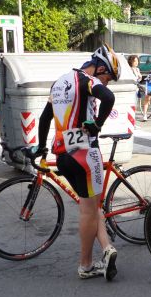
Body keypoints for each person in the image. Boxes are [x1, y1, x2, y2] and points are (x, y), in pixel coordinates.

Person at [35, 44, 120, 280]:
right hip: (86, 153)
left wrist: (41, 147)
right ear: (101, 67)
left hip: (63, 154)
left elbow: (44, 118)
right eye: (108, 77)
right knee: (88, 210)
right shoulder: (87, 80)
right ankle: (85, 264)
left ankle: (107, 248)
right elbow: (109, 98)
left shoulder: (60, 81)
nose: (107, 82)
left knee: (91, 208)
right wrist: (98, 124)